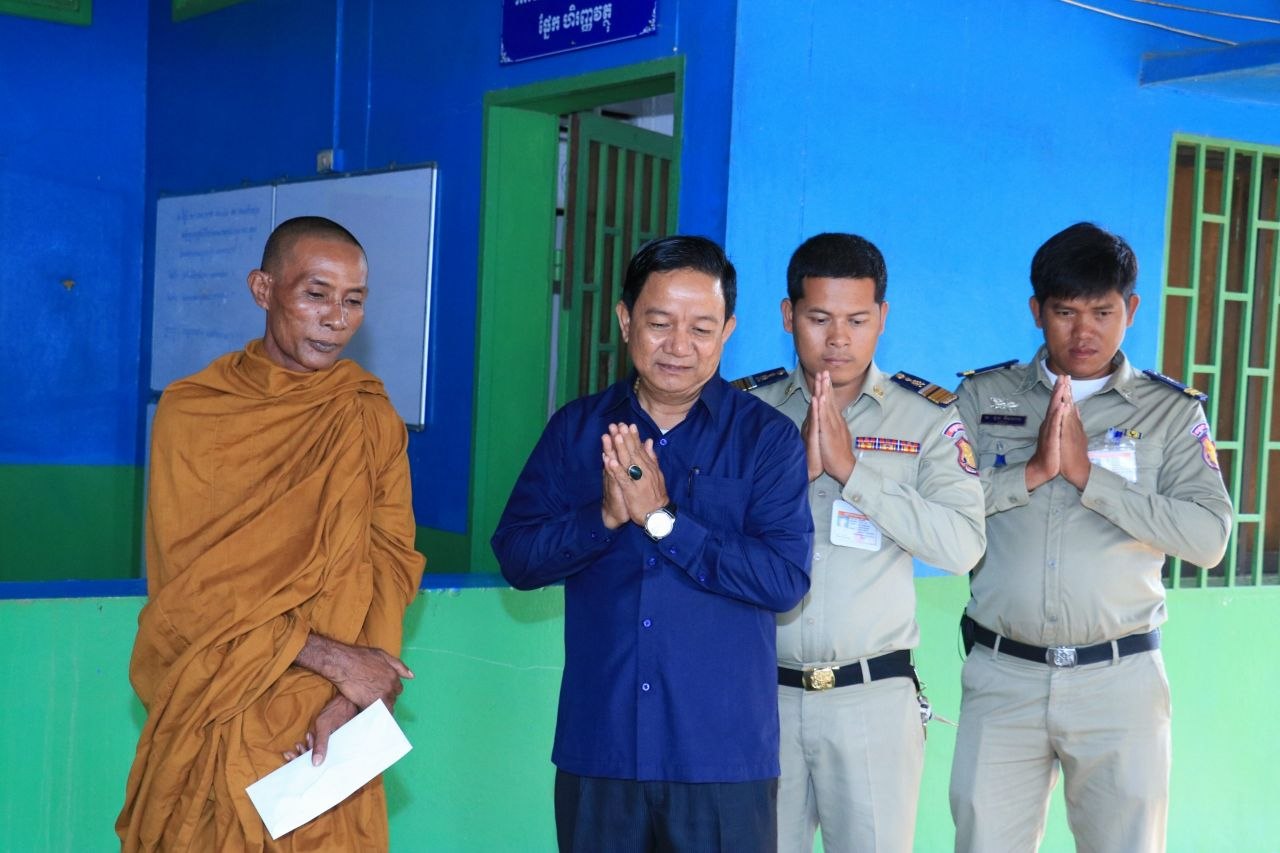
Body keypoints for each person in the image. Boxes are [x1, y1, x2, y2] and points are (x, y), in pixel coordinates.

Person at [491, 235, 814, 852]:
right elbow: (517, 557)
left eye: (701, 328)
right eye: (659, 323)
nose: (678, 346)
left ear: (728, 332)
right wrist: (604, 517)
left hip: (720, 756)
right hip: (601, 748)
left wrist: (665, 521)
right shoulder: (577, 430)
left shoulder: (766, 440)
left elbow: (784, 581)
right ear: (625, 320)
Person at [116, 216, 426, 851]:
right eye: (316, 294)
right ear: (264, 289)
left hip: (326, 717)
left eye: (354, 301)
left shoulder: (367, 416)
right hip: (217, 696)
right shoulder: (196, 411)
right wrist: (335, 659)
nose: (335, 319)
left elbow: (391, 563)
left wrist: (360, 693)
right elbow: (191, 594)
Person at [948, 222, 1232, 852]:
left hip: (1119, 680)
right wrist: (1031, 473)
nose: (1084, 332)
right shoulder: (981, 397)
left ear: (1130, 309)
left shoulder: (1170, 411)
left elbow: (1209, 536)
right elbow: (939, 513)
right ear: (1036, 312)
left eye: (1103, 312)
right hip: (1003, 675)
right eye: (1065, 312)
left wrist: (1089, 478)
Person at [748, 233, 986, 853]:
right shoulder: (746, 413)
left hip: (873, 699)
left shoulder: (927, 417)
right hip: (758, 695)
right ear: (788, 315)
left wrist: (854, 473)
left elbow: (962, 545)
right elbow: (707, 539)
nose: (838, 339)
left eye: (856, 320)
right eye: (818, 318)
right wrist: (793, 474)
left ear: (882, 317)